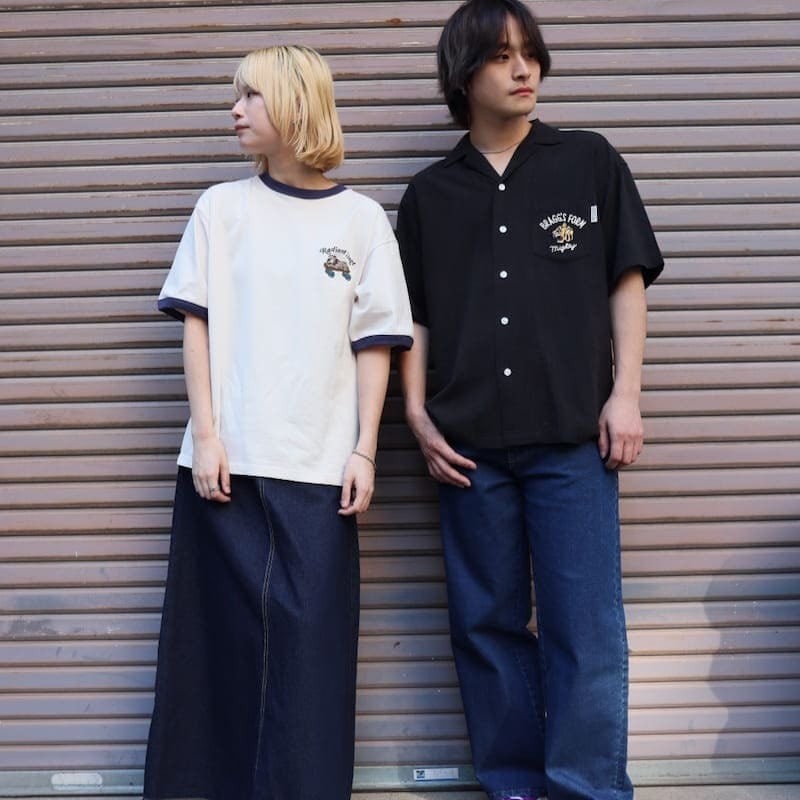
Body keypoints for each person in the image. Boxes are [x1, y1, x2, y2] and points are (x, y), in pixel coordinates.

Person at [396, 1, 664, 799]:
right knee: (486, 626)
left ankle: (587, 788)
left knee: (585, 629)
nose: (524, 69)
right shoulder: (430, 196)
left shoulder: (588, 162)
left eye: (531, 53)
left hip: (573, 439)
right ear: (462, 73)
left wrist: (626, 394)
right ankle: (513, 785)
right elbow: (414, 318)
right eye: (501, 55)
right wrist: (415, 413)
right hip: (467, 448)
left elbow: (626, 280)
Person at [143, 45, 413, 800]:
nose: (235, 110)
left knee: (310, 659)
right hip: (224, 469)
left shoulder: (361, 221)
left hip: (319, 475)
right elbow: (195, 325)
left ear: (295, 104)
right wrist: (207, 434)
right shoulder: (220, 209)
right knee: (212, 656)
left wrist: (364, 450)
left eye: (251, 96)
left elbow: (375, 345)